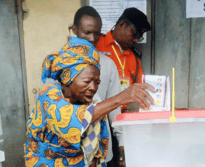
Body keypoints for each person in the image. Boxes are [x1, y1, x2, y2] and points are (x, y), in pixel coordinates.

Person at [25, 7, 155, 167]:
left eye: (97, 82)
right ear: (66, 77)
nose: (93, 88)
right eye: (86, 82)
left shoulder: (99, 86)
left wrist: (119, 144)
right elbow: (74, 120)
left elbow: (106, 119)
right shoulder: (52, 88)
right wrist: (122, 97)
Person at [68, 6, 125, 167]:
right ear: (74, 30)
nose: (92, 38)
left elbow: (115, 110)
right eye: (87, 32)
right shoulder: (61, 64)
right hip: (69, 153)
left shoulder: (107, 64)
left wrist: (122, 145)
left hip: (100, 152)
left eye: (97, 33)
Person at [96, 7, 151, 91]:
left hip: (127, 104)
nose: (136, 41)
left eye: (139, 37)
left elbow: (141, 87)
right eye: (135, 34)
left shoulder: (134, 57)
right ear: (122, 24)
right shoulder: (96, 43)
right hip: (100, 103)